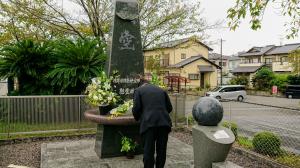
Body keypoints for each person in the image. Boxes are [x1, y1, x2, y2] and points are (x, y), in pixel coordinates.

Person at [132, 80, 173, 168]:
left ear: (140, 85)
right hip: (164, 123)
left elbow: (136, 109)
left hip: (148, 124)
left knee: (148, 151)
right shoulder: (161, 90)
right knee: (161, 151)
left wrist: (139, 118)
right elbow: (169, 107)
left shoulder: (138, 90)